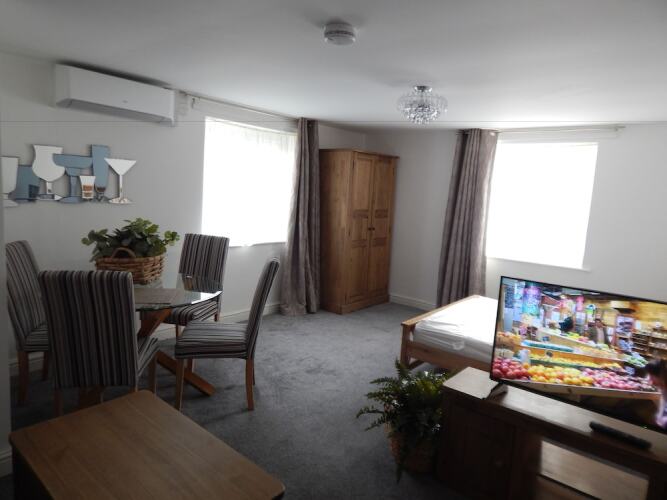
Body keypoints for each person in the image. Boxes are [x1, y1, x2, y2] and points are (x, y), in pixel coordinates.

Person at [645, 359, 667, 429]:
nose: (649, 380)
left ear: (661, 375)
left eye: (651, 376)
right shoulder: (663, 385)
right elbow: (664, 398)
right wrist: (660, 414)